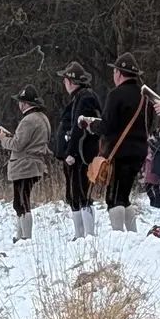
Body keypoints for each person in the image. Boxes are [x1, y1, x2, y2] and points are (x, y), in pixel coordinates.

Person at [91, 55, 153, 233]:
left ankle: (118, 235)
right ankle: (132, 234)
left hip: (119, 152)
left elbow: (107, 126)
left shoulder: (116, 95)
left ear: (119, 73)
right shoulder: (145, 98)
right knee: (124, 195)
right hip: (139, 151)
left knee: (114, 197)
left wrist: (91, 125)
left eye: (114, 71)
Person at [0, 88, 52, 241]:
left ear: (25, 104)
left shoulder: (28, 120)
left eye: (20, 101)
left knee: (21, 202)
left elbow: (18, 145)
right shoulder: (43, 118)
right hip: (35, 163)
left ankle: (25, 237)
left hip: (24, 165)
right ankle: (21, 236)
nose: (18, 104)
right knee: (20, 201)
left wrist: (3, 139)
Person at [56, 62, 102, 238]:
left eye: (65, 80)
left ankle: (87, 234)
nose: (64, 84)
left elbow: (79, 127)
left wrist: (71, 152)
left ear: (70, 81)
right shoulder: (80, 97)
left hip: (81, 155)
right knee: (74, 194)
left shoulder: (85, 98)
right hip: (78, 153)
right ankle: (79, 233)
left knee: (82, 193)